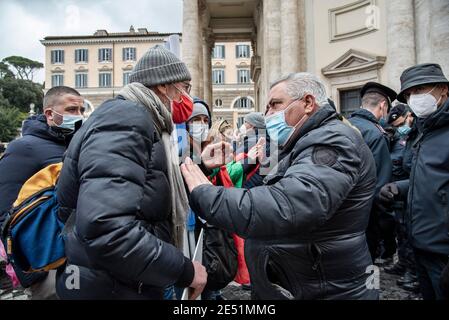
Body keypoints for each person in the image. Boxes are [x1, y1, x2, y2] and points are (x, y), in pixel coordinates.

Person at [181, 72, 378, 300]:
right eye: (267, 108)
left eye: (275, 105)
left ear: (307, 103)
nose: (269, 115)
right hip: (306, 279)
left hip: (325, 286)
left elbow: (288, 205)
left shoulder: (333, 140)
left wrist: (207, 194)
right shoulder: (301, 140)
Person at [55, 45, 207, 300]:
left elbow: (140, 188)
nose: (187, 98)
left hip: (119, 280)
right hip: (115, 286)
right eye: (185, 88)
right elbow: (106, 227)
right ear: (163, 85)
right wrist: (183, 269)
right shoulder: (127, 119)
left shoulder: (138, 119)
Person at [0, 86, 84, 300]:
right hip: (45, 263)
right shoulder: (23, 148)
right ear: (49, 114)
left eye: (81, 110)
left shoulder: (76, 145)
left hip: (76, 256)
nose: (79, 116)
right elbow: (3, 210)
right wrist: (27, 268)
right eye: (72, 109)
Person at [379, 63, 449, 300]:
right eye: (410, 93)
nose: (415, 97)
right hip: (422, 245)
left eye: (421, 89)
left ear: (443, 90)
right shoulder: (423, 130)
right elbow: (432, 179)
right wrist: (399, 188)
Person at [349, 82, 396, 262]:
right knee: (367, 264)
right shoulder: (376, 133)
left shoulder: (345, 125)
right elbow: (380, 184)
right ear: (383, 106)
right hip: (366, 215)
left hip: (342, 209)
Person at [383, 104, 419, 293]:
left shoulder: (416, 135)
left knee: (410, 232)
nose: (399, 127)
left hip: (409, 191)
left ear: (409, 117)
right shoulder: (396, 137)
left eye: (401, 122)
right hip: (396, 190)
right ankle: (403, 263)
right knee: (401, 231)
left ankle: (413, 273)